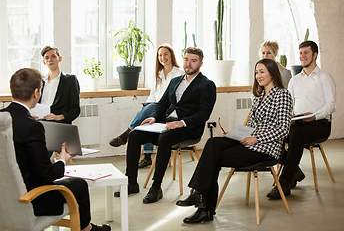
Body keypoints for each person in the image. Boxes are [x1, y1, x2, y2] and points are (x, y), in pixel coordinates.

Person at [176, 58, 293, 224]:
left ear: (272, 73)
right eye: (256, 72)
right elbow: (252, 126)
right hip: (250, 141)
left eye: (262, 72)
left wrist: (257, 138)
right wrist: (237, 133)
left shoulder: (283, 95)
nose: (258, 76)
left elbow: (283, 129)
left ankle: (203, 205)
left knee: (212, 157)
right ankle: (200, 199)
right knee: (213, 143)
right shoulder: (258, 97)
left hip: (266, 149)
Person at [0, 68, 110, 231]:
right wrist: (62, 160)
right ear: (36, 93)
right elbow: (46, 176)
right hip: (31, 200)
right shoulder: (32, 127)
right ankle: (87, 229)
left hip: (0, 196)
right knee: (79, 184)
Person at [114, 47, 217, 204]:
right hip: (165, 123)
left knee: (164, 138)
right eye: (186, 59)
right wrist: (154, 117)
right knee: (135, 135)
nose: (189, 64)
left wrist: (180, 123)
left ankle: (156, 187)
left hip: (188, 128)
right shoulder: (175, 81)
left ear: (201, 64)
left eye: (193, 61)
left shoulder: (207, 85)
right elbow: (162, 103)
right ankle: (131, 183)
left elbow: (204, 114)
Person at [266, 40, 336, 199]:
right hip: (297, 122)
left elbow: (331, 105)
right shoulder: (295, 80)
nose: (302, 56)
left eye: (306, 53)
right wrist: (288, 117)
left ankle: (284, 181)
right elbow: (289, 105)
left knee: (296, 134)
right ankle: (294, 171)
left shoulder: (325, 77)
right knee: (273, 133)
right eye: (300, 53)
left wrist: (312, 117)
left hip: (320, 123)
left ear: (315, 55)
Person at [109, 44, 184, 168]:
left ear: (171, 55)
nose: (163, 57)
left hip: (170, 109)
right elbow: (153, 95)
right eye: (160, 55)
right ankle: (147, 156)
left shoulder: (179, 73)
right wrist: (147, 104)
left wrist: (151, 107)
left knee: (150, 110)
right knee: (147, 112)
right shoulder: (157, 74)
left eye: (166, 54)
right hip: (156, 108)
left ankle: (127, 134)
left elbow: (176, 98)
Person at [38, 46, 80, 124]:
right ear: (44, 62)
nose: (50, 60)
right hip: (40, 123)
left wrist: (58, 117)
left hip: (60, 124)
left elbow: (75, 109)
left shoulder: (70, 80)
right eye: (47, 58)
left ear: (60, 58)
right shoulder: (40, 81)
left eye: (53, 56)